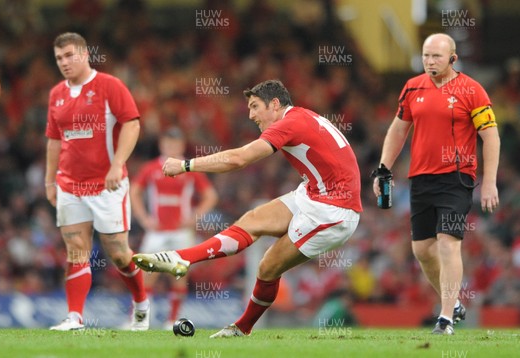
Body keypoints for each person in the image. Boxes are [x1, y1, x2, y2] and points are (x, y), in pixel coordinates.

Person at [133, 79, 362, 337]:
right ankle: (183, 257)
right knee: (252, 220)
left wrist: (186, 165)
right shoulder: (301, 117)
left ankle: (241, 329)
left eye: (255, 107)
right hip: (314, 194)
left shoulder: (290, 123)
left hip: (333, 210)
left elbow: (238, 159)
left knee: (268, 266)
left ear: (275, 104)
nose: (251, 115)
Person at [372, 33, 500, 335]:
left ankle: (444, 319)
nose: (430, 62)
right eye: (426, 56)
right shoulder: (412, 87)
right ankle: (453, 302)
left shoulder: (472, 90)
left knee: (447, 242)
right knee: (422, 250)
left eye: (437, 57)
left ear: (453, 58)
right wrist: (383, 168)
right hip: (420, 178)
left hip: (457, 177)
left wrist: (490, 182)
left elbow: (490, 136)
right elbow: (398, 129)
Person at [45, 32, 149, 331]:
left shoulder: (109, 85)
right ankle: (74, 317)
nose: (64, 62)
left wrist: (118, 164)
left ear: (84, 54)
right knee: (76, 249)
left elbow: (132, 123)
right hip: (69, 185)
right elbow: (54, 140)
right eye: (58, 58)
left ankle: (141, 303)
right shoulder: (56, 94)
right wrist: (50, 181)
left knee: (118, 254)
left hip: (107, 185)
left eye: (69, 55)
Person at [130, 127, 218, 329]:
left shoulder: (188, 169)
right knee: (147, 275)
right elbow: (134, 191)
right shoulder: (151, 168)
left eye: (175, 143)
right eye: (168, 142)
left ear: (181, 145)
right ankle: (139, 321)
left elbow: (211, 196)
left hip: (181, 231)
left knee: (178, 275)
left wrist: (194, 217)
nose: (171, 146)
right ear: (162, 144)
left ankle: (172, 321)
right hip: (157, 231)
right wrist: (144, 219)